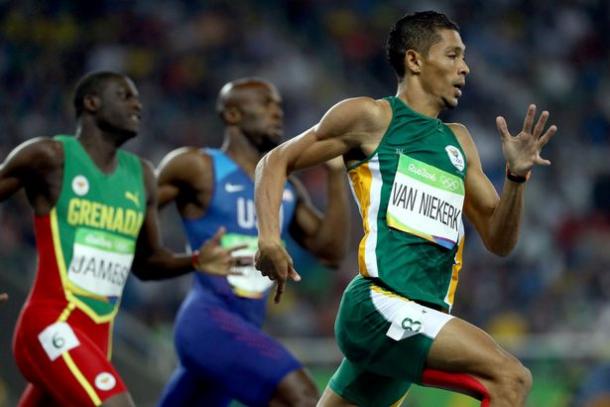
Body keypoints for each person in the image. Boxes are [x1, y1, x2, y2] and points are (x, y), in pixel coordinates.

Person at [254, 11, 557, 407]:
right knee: (510, 378)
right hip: (378, 306)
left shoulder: (459, 142)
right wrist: (269, 239)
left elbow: (499, 240)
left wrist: (515, 179)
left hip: (418, 317)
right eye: (452, 55)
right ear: (414, 60)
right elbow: (273, 162)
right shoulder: (372, 118)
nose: (465, 67)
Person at [0, 71, 246, 407]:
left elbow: (147, 263)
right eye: (125, 95)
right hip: (50, 324)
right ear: (92, 102)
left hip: (98, 338)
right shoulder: (50, 157)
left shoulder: (142, 175)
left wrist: (195, 261)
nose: (137, 104)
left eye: (137, 97)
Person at [155, 77, 349, 407]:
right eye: (265, 103)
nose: (277, 112)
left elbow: (330, 252)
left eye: (279, 105)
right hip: (206, 320)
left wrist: (334, 175)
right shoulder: (197, 166)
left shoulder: (284, 188)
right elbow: (134, 214)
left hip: (243, 329)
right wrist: (178, 261)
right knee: (301, 395)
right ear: (231, 115)